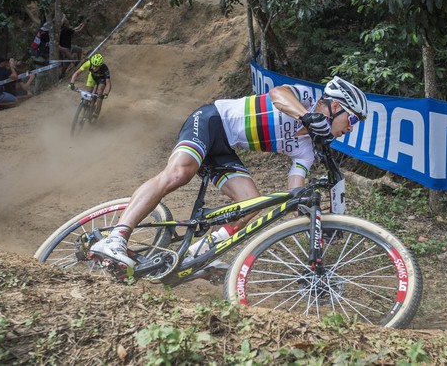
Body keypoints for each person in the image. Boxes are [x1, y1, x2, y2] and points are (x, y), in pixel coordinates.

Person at [89, 76, 368, 267]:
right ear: (334, 106)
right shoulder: (305, 99)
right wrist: (306, 116)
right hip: (210, 121)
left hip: (224, 150)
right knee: (178, 174)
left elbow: (295, 188)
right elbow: (277, 95)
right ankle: (116, 238)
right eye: (352, 119)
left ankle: (196, 255)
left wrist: (311, 213)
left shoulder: (307, 149)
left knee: (251, 207)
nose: (351, 127)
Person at [69, 53, 111, 119]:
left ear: (100, 66)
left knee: (100, 92)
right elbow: (77, 73)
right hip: (92, 77)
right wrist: (72, 83)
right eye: (93, 66)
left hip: (101, 79)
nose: (94, 68)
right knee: (88, 92)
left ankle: (97, 110)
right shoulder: (88, 63)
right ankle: (84, 108)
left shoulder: (104, 68)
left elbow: (108, 82)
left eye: (97, 67)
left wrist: (106, 94)